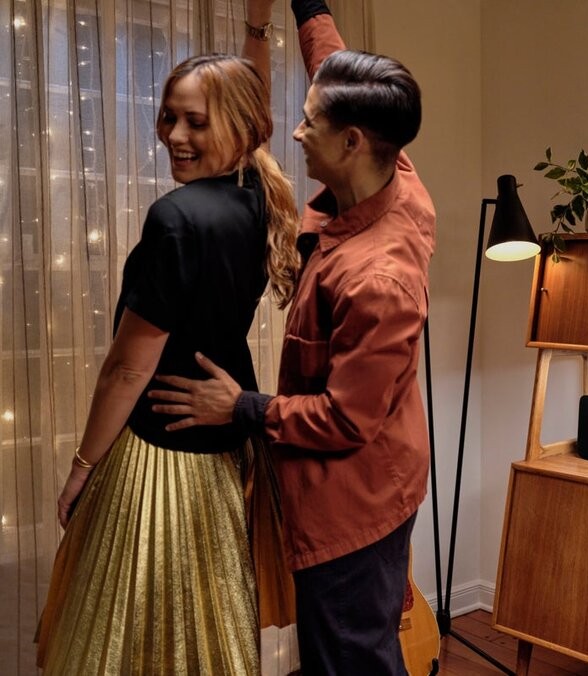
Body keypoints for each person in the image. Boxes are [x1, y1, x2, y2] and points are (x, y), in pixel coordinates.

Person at [150, 1, 436, 673]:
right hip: (380, 478)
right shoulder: (397, 174)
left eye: (311, 121)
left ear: (353, 142)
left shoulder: (379, 279)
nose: (296, 131)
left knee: (350, 660)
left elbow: (344, 418)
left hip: (354, 507)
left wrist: (242, 408)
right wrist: (305, 7)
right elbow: (329, 60)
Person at [35, 50, 300, 674]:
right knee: (207, 632)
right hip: (226, 451)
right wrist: (257, 29)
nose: (174, 137)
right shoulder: (261, 200)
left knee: (125, 643)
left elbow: (128, 370)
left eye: (196, 123)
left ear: (241, 128)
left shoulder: (176, 217)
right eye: (167, 117)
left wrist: (81, 469)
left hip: (158, 454)